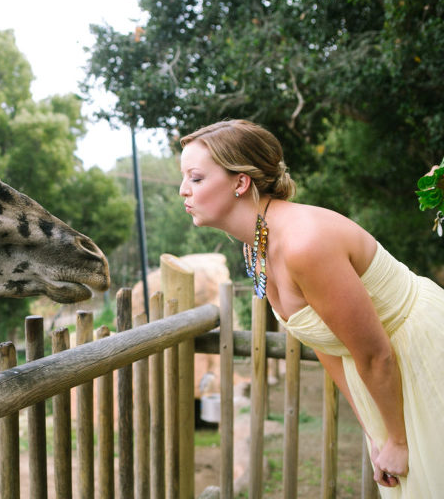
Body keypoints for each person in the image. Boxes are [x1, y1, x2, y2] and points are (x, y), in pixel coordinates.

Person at [178, 119, 444, 497]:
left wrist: (398, 440)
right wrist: (375, 431)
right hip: (382, 377)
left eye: (196, 178)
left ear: (241, 183)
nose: (182, 190)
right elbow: (323, 340)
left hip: (421, 353)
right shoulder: (254, 247)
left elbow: (375, 353)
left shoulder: (306, 243)